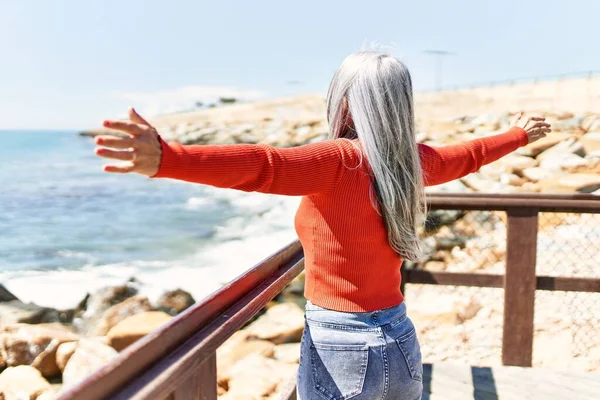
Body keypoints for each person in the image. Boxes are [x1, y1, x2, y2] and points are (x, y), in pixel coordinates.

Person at [94, 51, 551, 400]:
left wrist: (170, 159)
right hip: (399, 337)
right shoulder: (414, 163)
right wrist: (520, 135)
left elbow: (264, 166)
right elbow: (470, 155)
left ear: (346, 102)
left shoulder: (339, 162)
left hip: (342, 346)